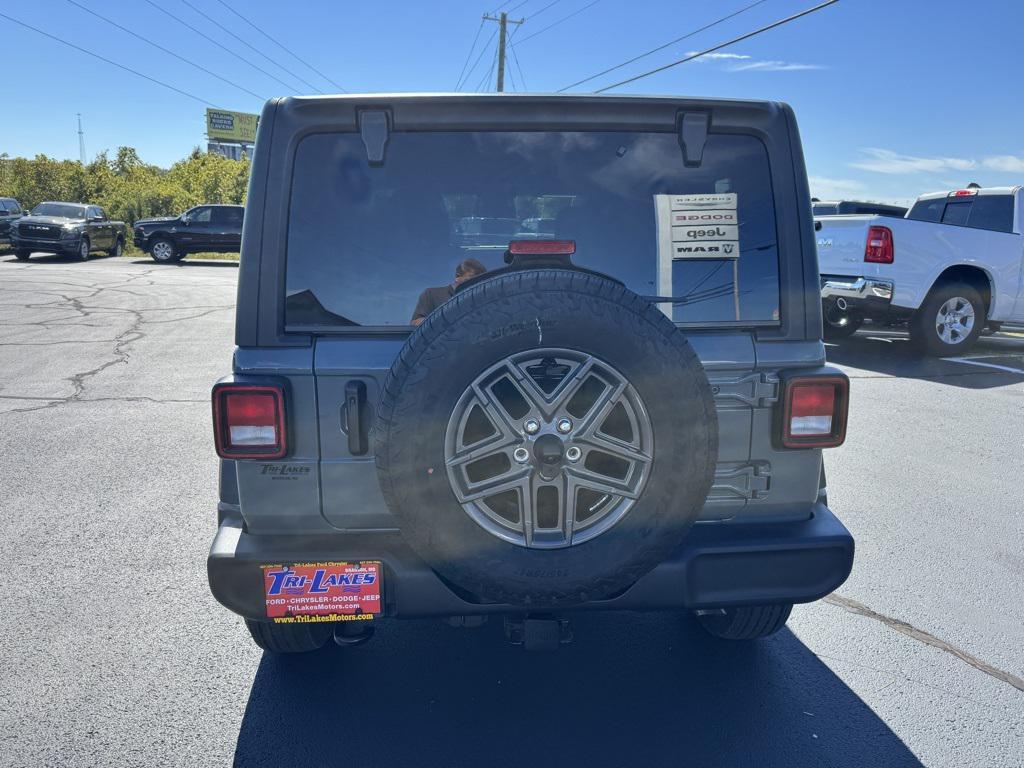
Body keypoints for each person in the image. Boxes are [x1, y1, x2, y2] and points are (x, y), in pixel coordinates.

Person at [410, 258, 487, 326]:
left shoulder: (483, 300)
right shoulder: (431, 295)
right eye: (469, 281)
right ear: (457, 277)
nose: (474, 285)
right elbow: (416, 323)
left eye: (478, 282)